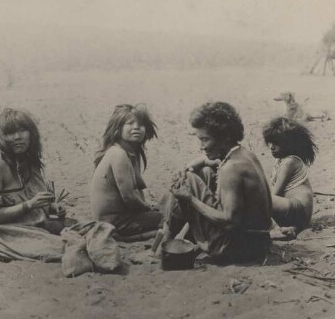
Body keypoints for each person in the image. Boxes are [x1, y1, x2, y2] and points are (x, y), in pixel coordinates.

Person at [160, 102, 272, 264]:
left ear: (225, 137)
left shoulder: (230, 169)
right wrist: (196, 164)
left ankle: (163, 246)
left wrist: (190, 199)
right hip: (259, 243)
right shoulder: (245, 155)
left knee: (188, 180)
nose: (202, 146)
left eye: (205, 140)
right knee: (204, 172)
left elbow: (229, 220)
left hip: (236, 248)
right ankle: (171, 242)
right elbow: (211, 162)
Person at [0, 108, 66, 234]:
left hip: (38, 225)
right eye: (10, 133)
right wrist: (29, 205)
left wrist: (52, 207)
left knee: (92, 231)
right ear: (1, 137)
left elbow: (34, 199)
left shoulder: (29, 159)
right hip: (10, 233)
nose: (17, 137)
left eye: (22, 130)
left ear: (31, 133)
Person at [90, 104, 161, 237]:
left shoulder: (132, 152)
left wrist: (150, 205)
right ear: (117, 129)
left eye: (141, 124)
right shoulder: (118, 154)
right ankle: (130, 238)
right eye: (130, 123)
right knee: (170, 218)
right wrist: (148, 208)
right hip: (114, 222)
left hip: (120, 217)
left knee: (164, 206)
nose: (136, 128)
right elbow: (129, 197)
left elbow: (139, 187)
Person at [262, 117, 318, 240]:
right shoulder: (282, 160)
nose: (271, 147)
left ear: (288, 144)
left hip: (298, 211)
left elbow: (275, 194)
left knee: (260, 201)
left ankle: (273, 229)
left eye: (276, 143)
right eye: (270, 142)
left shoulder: (290, 162)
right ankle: (293, 229)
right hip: (298, 215)